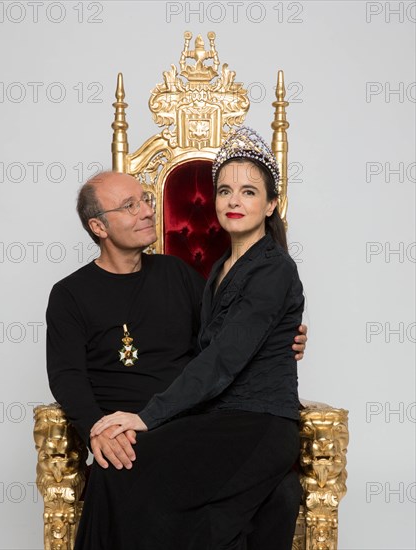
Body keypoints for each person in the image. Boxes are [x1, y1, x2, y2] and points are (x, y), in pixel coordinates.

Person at [46, 154, 307, 547]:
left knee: (272, 496)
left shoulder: (178, 274)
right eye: (129, 206)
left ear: (270, 204)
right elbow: (67, 376)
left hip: (186, 418)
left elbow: (224, 346)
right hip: (136, 425)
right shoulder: (70, 294)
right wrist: (96, 429)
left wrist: (281, 338)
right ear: (98, 226)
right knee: (117, 474)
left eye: (145, 200)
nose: (146, 211)